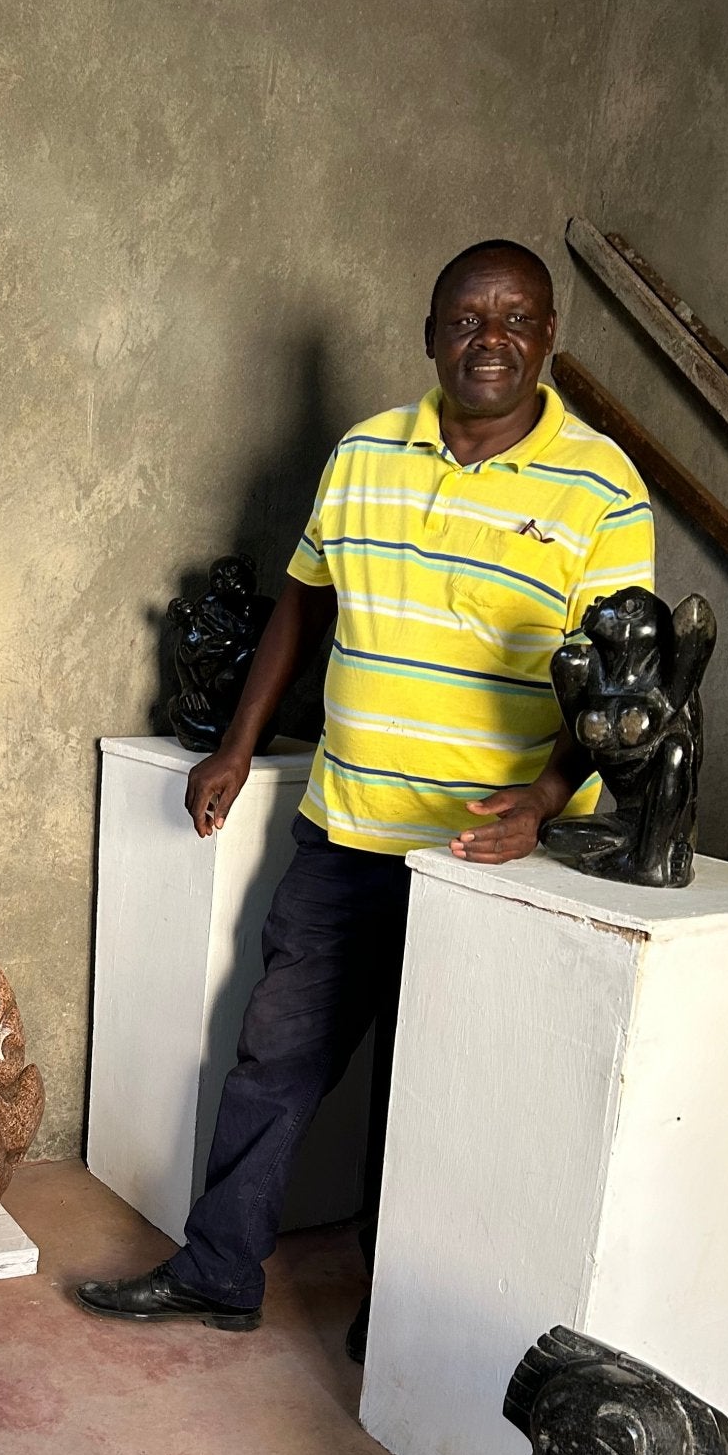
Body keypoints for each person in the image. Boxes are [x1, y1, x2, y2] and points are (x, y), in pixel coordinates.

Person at [76, 240, 655, 1354]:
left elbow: (616, 682)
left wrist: (541, 800)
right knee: (274, 1057)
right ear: (431, 333)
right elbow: (300, 603)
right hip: (347, 825)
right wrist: (239, 748)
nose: (492, 339)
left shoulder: (601, 486)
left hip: (489, 858)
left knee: (437, 1095)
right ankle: (217, 1271)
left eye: (517, 318)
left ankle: (395, 1315)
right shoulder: (362, 454)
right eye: (468, 318)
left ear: (549, 339)